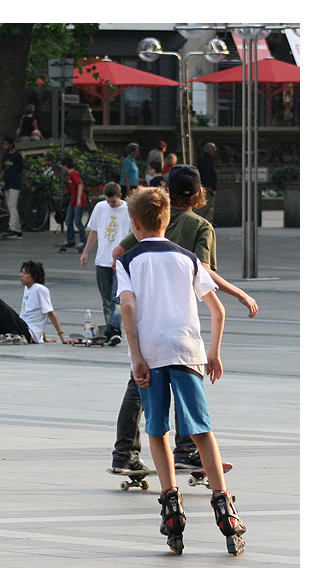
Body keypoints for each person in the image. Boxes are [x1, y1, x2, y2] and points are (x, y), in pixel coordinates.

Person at [117, 186, 246, 556]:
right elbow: (217, 310)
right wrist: (213, 353)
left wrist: (136, 355)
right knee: (201, 429)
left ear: (135, 223)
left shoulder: (127, 261)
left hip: (152, 353)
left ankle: (171, 507)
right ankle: (225, 510)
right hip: (188, 351)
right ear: (167, 219)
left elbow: (128, 307)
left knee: (157, 429)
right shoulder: (188, 258)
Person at [108, 165, 258, 473]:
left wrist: (132, 277)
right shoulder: (199, 225)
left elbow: (119, 252)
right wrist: (237, 292)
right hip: (180, 325)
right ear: (200, 193)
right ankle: (187, 450)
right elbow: (204, 269)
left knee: (138, 388)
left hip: (148, 326)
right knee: (187, 390)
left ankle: (124, 452)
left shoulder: (150, 214)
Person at [80, 182, 131, 346]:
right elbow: (94, 231)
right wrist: (86, 251)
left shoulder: (128, 209)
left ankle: (114, 329)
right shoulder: (100, 208)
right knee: (106, 300)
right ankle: (110, 332)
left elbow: (134, 234)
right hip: (102, 259)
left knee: (116, 298)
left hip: (121, 262)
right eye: (108, 201)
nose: (110, 204)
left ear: (120, 196)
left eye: (113, 202)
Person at [0, 261, 68, 344]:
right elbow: (38, 315)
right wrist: (43, 338)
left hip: (27, 332)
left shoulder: (40, 289)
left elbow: (50, 313)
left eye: (25, 273)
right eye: (21, 273)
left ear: (33, 276)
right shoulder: (28, 288)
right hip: (23, 326)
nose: (21, 276)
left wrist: (62, 337)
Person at [0, 136, 25, 239]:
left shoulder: (17, 156)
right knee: (9, 206)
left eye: (6, 144)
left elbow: (22, 170)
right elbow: (3, 170)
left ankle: (14, 229)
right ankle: (17, 228)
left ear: (11, 145)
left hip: (15, 183)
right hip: (7, 183)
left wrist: (26, 182)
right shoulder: (5, 156)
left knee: (12, 205)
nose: (4, 146)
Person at [60, 157, 87, 250]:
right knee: (68, 220)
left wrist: (79, 199)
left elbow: (80, 185)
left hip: (77, 199)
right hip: (73, 200)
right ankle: (70, 239)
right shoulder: (70, 175)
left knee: (77, 221)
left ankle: (83, 240)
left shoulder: (74, 174)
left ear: (65, 166)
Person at [195, 142, 218, 220]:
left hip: (208, 186)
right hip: (206, 187)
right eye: (213, 149)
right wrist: (208, 185)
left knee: (209, 207)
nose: (215, 151)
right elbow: (205, 173)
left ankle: (208, 223)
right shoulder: (204, 159)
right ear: (208, 149)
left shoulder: (207, 159)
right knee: (204, 206)